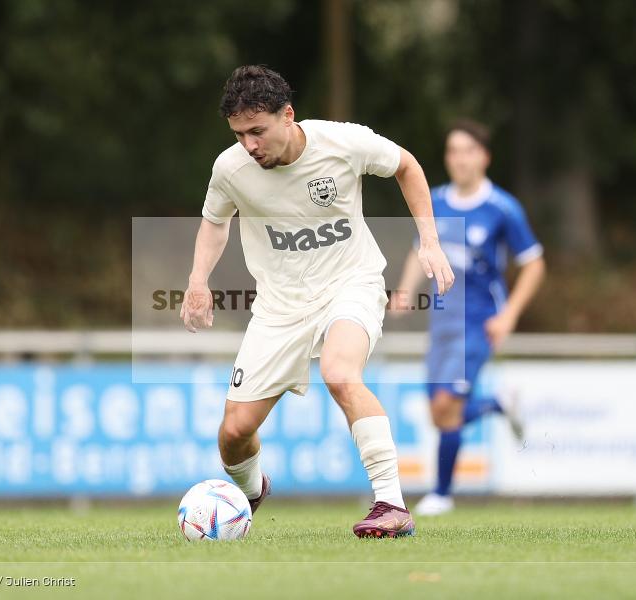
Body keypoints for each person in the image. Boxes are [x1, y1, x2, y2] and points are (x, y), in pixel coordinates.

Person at [179, 65, 454, 538]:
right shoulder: (230, 169)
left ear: (287, 115)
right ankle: (250, 492)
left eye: (257, 131)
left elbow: (407, 166)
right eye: (240, 134)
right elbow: (215, 221)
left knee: (340, 371)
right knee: (234, 432)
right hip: (278, 306)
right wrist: (197, 280)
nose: (249, 145)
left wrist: (429, 240)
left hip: (351, 282)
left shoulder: (343, 142)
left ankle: (391, 504)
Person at [391, 119, 546, 516]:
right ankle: (498, 404)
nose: (459, 159)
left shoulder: (502, 208)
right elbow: (420, 250)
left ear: (484, 157)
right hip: (441, 322)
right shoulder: (435, 201)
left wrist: (509, 315)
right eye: (453, 151)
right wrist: (405, 290)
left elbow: (534, 264)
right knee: (438, 412)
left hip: (479, 323)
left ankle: (441, 495)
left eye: (467, 151)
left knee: (447, 405)